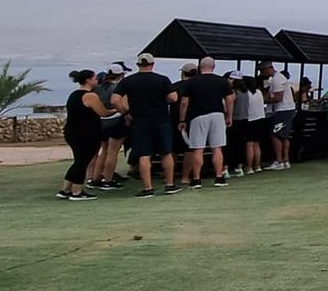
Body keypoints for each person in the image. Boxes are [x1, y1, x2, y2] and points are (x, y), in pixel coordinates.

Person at [112, 53, 178, 196]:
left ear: (138, 65)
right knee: (166, 153)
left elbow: (115, 100)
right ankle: (169, 184)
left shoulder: (128, 81)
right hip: (161, 120)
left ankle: (148, 188)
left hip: (139, 121)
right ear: (152, 64)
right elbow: (173, 98)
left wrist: (126, 112)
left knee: (144, 155)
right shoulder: (162, 79)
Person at [179, 56, 233, 187]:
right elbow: (230, 100)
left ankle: (196, 179)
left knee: (198, 148)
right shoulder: (222, 81)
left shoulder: (191, 82)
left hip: (198, 116)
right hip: (218, 115)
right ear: (214, 67)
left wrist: (182, 119)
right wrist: (229, 116)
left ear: (199, 67)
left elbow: (184, 102)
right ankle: (219, 177)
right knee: (217, 148)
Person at [59, 70, 109, 200]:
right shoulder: (90, 96)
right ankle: (76, 191)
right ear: (88, 80)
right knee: (83, 161)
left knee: (79, 161)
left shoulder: (73, 95)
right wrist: (117, 110)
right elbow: (103, 112)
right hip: (85, 133)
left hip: (72, 131)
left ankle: (65, 189)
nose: (97, 80)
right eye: (95, 78)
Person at [88, 63, 128, 188]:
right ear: (120, 75)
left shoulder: (98, 88)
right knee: (112, 152)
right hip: (116, 121)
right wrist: (124, 112)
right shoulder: (118, 88)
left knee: (104, 150)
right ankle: (108, 179)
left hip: (101, 122)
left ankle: (95, 179)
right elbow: (122, 105)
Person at [260, 63, 295, 171]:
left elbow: (278, 98)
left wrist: (263, 100)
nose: (262, 74)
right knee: (284, 136)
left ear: (268, 68)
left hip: (282, 110)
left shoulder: (277, 79)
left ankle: (279, 161)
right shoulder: (277, 78)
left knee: (275, 135)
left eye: (262, 71)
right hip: (287, 109)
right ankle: (285, 160)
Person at [242, 74, 267, 175]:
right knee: (256, 144)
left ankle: (249, 167)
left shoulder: (246, 94)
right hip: (260, 119)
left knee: (249, 144)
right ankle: (257, 166)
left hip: (250, 119)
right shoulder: (259, 92)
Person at [227, 71, 250, 175]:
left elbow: (229, 105)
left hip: (235, 120)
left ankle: (231, 165)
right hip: (244, 120)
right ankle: (239, 166)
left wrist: (228, 117)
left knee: (231, 144)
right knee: (241, 144)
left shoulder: (233, 92)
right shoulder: (246, 92)